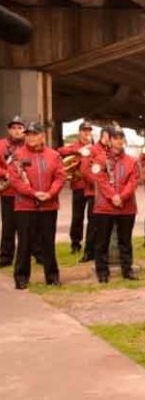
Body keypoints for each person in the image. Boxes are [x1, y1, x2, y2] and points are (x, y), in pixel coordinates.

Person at [8, 122, 65, 290]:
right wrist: (33, 193)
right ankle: (21, 277)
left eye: (34, 134)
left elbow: (60, 177)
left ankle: (52, 276)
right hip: (25, 207)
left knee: (48, 243)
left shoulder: (53, 155)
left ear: (42, 136)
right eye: (29, 134)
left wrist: (50, 193)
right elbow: (14, 179)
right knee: (24, 243)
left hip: (49, 206)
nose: (31, 137)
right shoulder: (17, 155)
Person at [92, 126, 139, 283]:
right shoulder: (100, 159)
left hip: (127, 208)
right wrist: (113, 196)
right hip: (105, 207)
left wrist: (122, 196)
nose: (118, 141)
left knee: (125, 240)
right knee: (102, 241)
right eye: (115, 138)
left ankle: (127, 269)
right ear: (110, 140)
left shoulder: (132, 161)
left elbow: (134, 182)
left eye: (121, 138)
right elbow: (100, 180)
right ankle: (102, 272)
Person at [57, 120, 94, 255]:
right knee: (77, 217)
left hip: (91, 187)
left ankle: (91, 245)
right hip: (78, 185)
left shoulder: (94, 147)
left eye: (89, 131)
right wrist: (77, 150)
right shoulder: (74, 145)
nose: (86, 134)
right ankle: (75, 243)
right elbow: (60, 151)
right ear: (79, 133)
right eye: (84, 131)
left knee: (92, 217)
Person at [79, 125, 112, 263]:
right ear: (102, 136)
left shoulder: (115, 152)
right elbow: (85, 171)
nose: (109, 139)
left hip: (110, 194)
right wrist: (100, 185)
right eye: (107, 136)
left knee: (108, 225)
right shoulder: (91, 150)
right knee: (93, 224)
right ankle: (89, 252)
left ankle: (107, 252)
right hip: (94, 193)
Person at [0, 116, 25, 267]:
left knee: (29, 225)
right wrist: (5, 174)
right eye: (14, 128)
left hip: (25, 192)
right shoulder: (1, 145)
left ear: (24, 130)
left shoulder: (29, 144)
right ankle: (6, 256)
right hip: (8, 191)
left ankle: (34, 253)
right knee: (9, 225)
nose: (16, 131)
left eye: (20, 128)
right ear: (9, 130)